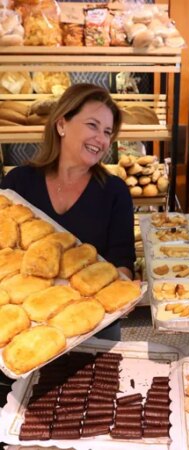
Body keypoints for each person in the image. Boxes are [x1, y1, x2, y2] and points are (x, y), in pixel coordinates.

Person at [0, 83, 136, 341]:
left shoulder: (114, 191)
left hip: (93, 323)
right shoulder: (18, 183)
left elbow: (123, 258)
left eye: (108, 132)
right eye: (92, 125)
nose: (101, 139)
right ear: (62, 124)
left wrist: (123, 285)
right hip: (23, 328)